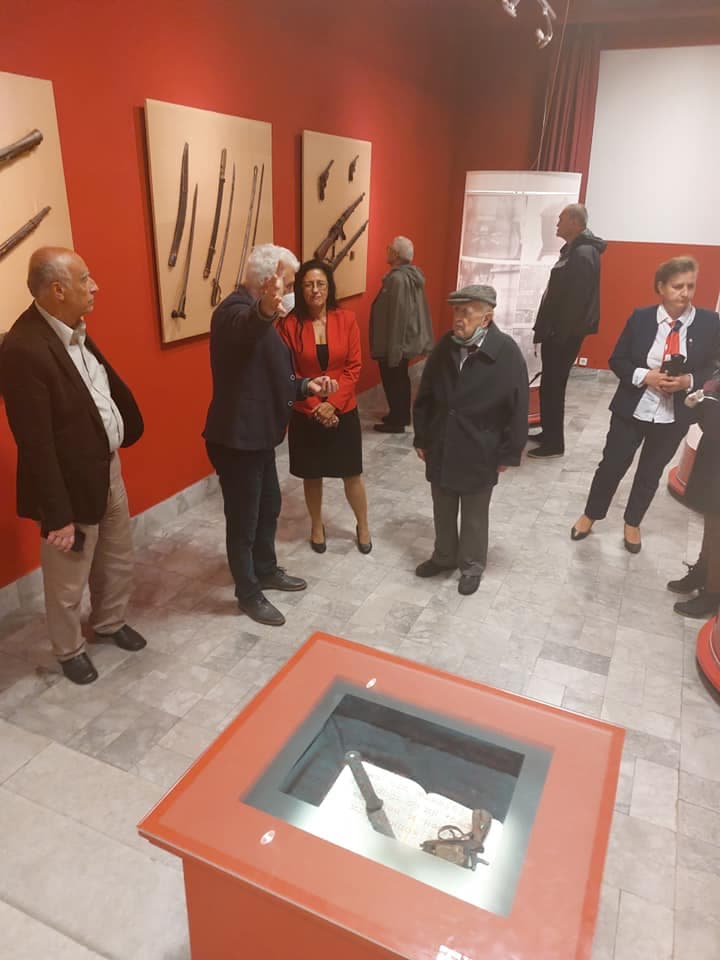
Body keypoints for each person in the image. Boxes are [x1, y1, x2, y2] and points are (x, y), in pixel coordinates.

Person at [0, 247, 146, 685]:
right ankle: (69, 650)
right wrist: (57, 513)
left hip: (107, 468)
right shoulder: (23, 348)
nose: (94, 286)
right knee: (67, 578)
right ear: (58, 290)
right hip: (68, 483)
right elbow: (35, 442)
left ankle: (110, 621)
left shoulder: (73, 328)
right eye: (85, 279)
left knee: (117, 556)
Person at [203, 244, 337, 628]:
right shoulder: (232, 312)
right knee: (243, 519)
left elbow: (272, 375)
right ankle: (248, 592)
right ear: (266, 284)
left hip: (260, 436)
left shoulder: (263, 317)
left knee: (268, 507)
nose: (293, 293)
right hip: (237, 439)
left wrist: (308, 385)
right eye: (289, 285)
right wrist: (264, 308)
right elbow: (247, 329)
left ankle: (265, 569)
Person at [571, 256, 720, 553]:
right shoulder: (640, 318)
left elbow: (714, 366)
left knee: (650, 472)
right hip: (633, 408)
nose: (685, 293)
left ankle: (633, 522)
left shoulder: (709, 323)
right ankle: (591, 514)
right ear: (661, 287)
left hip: (674, 415)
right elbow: (618, 360)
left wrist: (688, 380)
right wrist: (645, 376)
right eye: (677, 286)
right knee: (611, 466)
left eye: (690, 286)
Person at [413, 284, 528, 595]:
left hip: (481, 447)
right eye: (456, 311)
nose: (458, 318)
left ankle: (472, 565)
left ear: (486, 318)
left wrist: (509, 452)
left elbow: (518, 407)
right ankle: (444, 556)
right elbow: (425, 394)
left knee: (475, 514)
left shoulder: (506, 353)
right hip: (443, 443)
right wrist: (422, 436)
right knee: (443, 505)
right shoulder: (445, 347)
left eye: (467, 312)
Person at [277, 259, 371, 554]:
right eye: (308, 284)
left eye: (320, 284)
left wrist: (333, 405)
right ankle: (316, 525)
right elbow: (288, 372)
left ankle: (363, 525)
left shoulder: (347, 319)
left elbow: (353, 368)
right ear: (300, 289)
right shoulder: (289, 324)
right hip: (306, 412)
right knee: (312, 473)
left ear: (329, 287)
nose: (315, 290)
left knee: (351, 473)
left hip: (343, 409)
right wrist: (316, 406)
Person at [529, 203, 606, 459]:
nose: (557, 224)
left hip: (563, 335)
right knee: (549, 385)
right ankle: (548, 432)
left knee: (554, 386)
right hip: (558, 332)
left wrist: (557, 334)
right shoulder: (575, 250)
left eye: (561, 219)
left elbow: (576, 302)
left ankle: (554, 443)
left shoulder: (583, 253)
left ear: (574, 222)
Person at [667, 367, 720, 618]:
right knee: (711, 517)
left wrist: (706, 403)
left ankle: (713, 592)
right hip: (714, 448)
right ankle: (703, 571)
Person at [370, 236, 433, 433]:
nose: (386, 250)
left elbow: (398, 315)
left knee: (394, 379)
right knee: (400, 378)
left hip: (395, 342)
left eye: (389, 248)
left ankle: (397, 421)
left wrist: (394, 349)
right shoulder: (409, 276)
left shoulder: (397, 279)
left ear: (395, 254)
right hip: (402, 341)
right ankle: (400, 415)